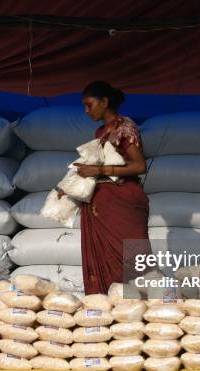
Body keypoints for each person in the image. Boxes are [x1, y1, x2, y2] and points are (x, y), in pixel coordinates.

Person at [69, 80, 150, 294]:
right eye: (84, 106)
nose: (86, 110)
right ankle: (106, 313)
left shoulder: (126, 128)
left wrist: (100, 171)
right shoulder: (100, 132)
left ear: (104, 102)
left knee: (132, 258)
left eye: (90, 104)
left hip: (123, 203)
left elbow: (139, 165)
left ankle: (141, 309)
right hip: (101, 205)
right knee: (102, 260)